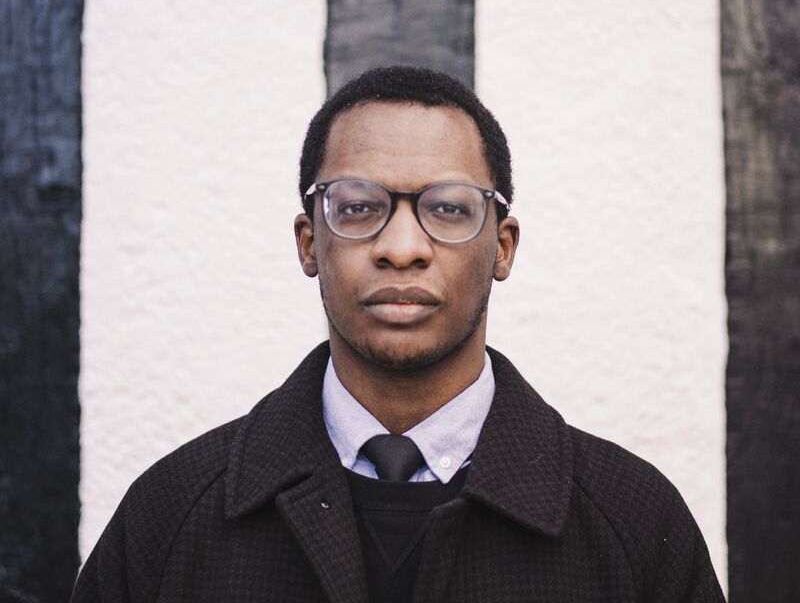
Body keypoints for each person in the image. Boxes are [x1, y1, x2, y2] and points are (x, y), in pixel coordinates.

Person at [72, 66, 725, 602]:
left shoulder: (634, 524)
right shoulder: (173, 514)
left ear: (503, 246)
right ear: (309, 244)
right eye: (358, 207)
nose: (403, 247)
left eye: (448, 208)